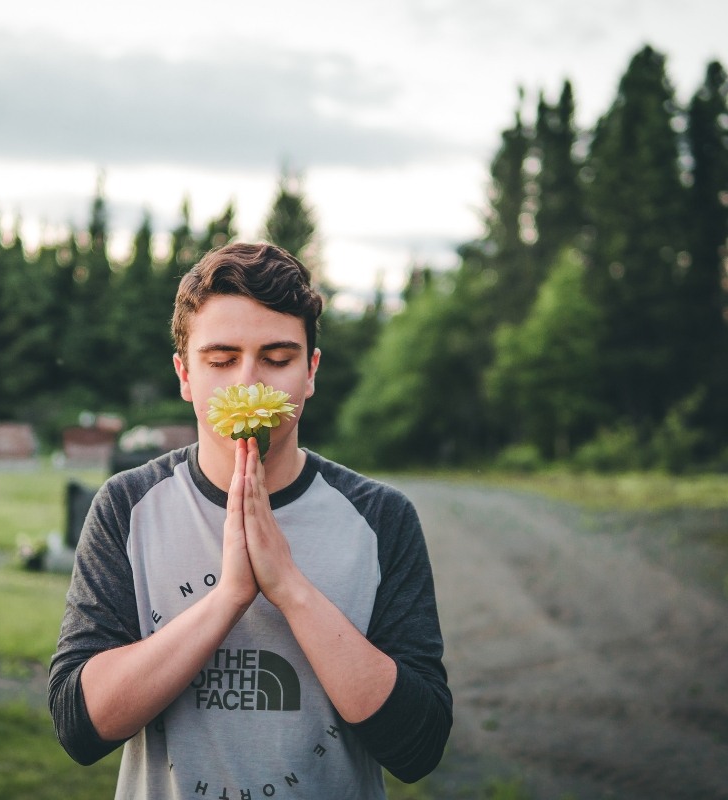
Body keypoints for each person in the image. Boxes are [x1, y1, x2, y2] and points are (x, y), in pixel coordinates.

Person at [49, 242, 452, 798]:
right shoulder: (127, 506)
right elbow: (80, 727)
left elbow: (419, 747)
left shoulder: (381, 518)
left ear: (310, 371)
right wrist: (228, 598)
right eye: (220, 360)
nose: (249, 383)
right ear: (185, 375)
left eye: (278, 359)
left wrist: (289, 589)